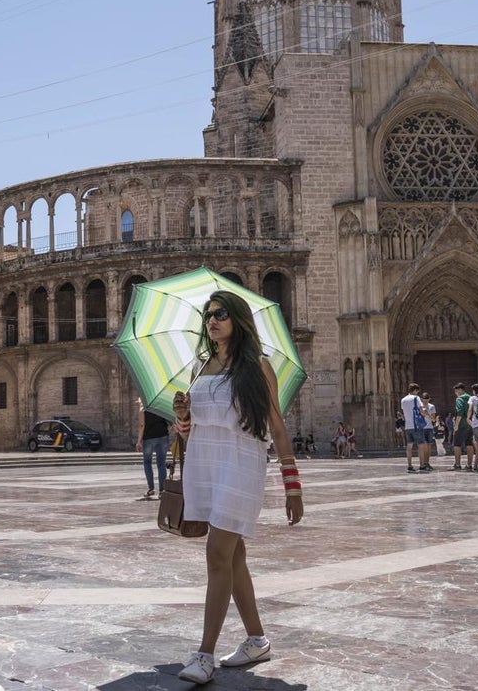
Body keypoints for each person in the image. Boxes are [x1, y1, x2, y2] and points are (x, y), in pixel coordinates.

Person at [170, 290, 303, 684]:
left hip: (240, 466)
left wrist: (292, 486)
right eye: (208, 315)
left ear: (239, 319)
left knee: (217, 554)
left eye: (221, 313)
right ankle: (257, 640)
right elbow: (190, 434)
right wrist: (182, 417)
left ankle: (204, 654)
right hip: (204, 466)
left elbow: (276, 428)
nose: (212, 321)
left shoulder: (257, 367)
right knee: (235, 557)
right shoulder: (200, 367)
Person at [135, 398, 170, 499]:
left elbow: (142, 425)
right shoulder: (161, 406)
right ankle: (162, 490)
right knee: (161, 464)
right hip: (163, 436)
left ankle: (151, 489)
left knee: (147, 463)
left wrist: (139, 441)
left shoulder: (143, 409)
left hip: (149, 438)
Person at [400, 383, 431, 473]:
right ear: (415, 390)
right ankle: (422, 465)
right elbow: (421, 410)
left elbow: (405, 412)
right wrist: (428, 416)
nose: (418, 393)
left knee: (409, 446)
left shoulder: (403, 400)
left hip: (408, 426)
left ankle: (409, 465)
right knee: (420, 445)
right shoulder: (416, 398)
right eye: (417, 391)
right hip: (416, 425)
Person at [450, 383, 473, 471]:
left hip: (462, 424)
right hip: (470, 424)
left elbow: (459, 413)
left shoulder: (460, 399)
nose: (455, 393)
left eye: (456, 391)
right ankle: (469, 464)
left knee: (457, 445)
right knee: (469, 444)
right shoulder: (470, 397)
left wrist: (456, 426)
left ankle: (457, 464)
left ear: (460, 390)